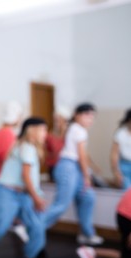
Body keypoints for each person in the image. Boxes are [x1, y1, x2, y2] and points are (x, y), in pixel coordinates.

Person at [0, 117, 48, 258]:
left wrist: (36, 195)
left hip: (23, 194)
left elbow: (30, 178)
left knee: (37, 226)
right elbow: (26, 176)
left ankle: (33, 256)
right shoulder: (27, 147)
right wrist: (37, 198)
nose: (46, 133)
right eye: (43, 129)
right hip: (7, 192)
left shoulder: (25, 146)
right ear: (33, 131)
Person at [44, 103, 104, 246]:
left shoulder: (75, 128)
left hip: (72, 167)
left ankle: (86, 233)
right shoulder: (79, 130)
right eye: (87, 115)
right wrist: (87, 176)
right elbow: (81, 156)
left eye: (92, 117)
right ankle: (32, 228)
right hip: (69, 167)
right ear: (76, 115)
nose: (90, 119)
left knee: (88, 197)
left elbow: (83, 156)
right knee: (61, 204)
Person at [77, 187, 131, 258]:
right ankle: (91, 252)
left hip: (123, 212)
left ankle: (91, 252)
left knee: (125, 255)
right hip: (126, 215)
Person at [45, 105, 71, 182]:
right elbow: (48, 149)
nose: (56, 122)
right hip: (53, 165)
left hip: (65, 165)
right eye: (55, 120)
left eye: (59, 119)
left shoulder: (70, 133)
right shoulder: (50, 134)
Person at [110, 108, 131, 190]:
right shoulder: (121, 133)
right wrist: (116, 172)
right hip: (124, 165)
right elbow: (114, 154)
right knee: (127, 190)